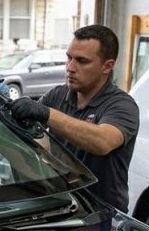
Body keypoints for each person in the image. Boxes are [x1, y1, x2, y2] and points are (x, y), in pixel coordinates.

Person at [9, 25, 139, 211]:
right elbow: (24, 130)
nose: (70, 68)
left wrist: (46, 114)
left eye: (82, 61)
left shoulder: (122, 106)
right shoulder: (58, 95)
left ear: (107, 66)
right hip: (60, 207)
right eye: (69, 58)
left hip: (101, 216)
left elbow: (103, 141)